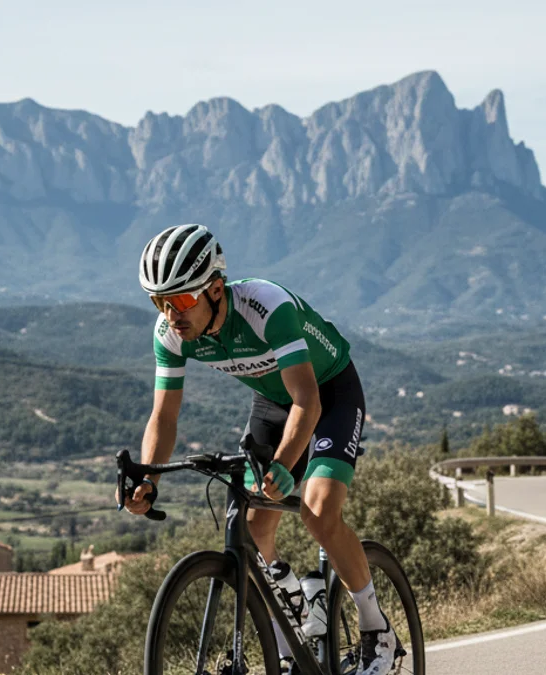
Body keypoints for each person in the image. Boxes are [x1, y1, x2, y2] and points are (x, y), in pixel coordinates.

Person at [122, 223, 399, 675]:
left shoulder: (266, 307)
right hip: (273, 403)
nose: (172, 314)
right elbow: (163, 418)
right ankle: (292, 605)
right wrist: (147, 479)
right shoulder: (170, 333)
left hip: (328, 393)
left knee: (318, 509)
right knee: (251, 524)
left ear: (215, 288)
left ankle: (376, 631)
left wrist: (287, 466)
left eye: (183, 299)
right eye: (160, 301)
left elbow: (308, 401)